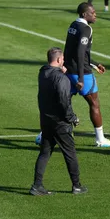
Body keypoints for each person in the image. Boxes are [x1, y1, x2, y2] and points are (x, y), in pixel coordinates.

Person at [31, 47, 87, 196]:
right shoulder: (61, 79)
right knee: (70, 153)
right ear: (58, 60)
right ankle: (77, 186)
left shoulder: (43, 73)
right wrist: (72, 118)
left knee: (44, 153)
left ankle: (37, 185)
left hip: (46, 120)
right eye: (62, 59)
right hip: (60, 122)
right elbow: (63, 101)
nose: (64, 61)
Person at [64, 2, 110, 148]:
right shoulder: (86, 29)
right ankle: (100, 139)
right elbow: (81, 52)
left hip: (68, 71)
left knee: (62, 103)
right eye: (93, 13)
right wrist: (82, 78)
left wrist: (94, 64)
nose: (95, 15)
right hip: (81, 74)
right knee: (94, 104)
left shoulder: (73, 25)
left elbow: (71, 50)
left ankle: (43, 135)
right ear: (84, 14)